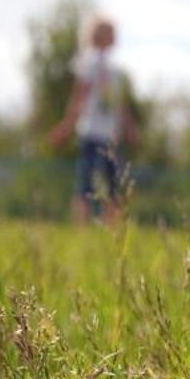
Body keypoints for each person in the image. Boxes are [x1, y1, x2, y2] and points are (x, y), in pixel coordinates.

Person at [50, 15, 136, 224]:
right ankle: (81, 226)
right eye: (111, 31)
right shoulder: (89, 62)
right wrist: (67, 125)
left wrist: (129, 125)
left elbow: (118, 103)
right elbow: (80, 95)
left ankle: (113, 229)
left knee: (114, 185)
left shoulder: (113, 69)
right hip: (91, 133)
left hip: (110, 135)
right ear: (101, 34)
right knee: (86, 184)